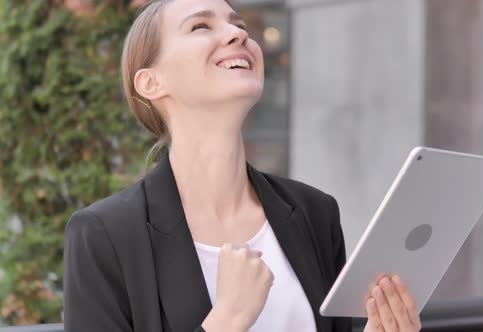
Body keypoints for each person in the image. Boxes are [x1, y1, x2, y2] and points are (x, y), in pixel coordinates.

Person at [63, 0, 423, 331]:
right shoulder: (105, 235)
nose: (238, 33)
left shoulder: (315, 213)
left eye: (238, 25)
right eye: (200, 27)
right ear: (152, 83)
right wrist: (228, 318)